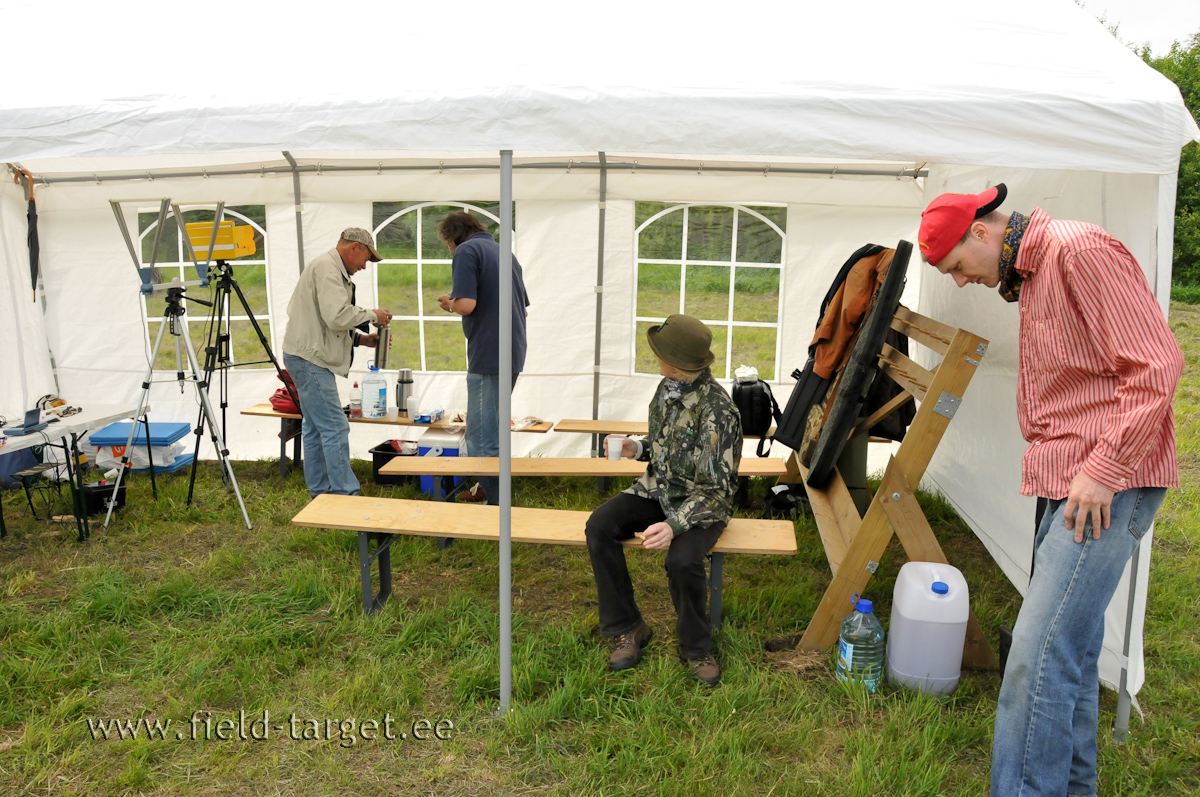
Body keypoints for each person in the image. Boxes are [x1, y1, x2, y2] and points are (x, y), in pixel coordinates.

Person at [919, 183, 1183, 797]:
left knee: (1034, 664)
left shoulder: (1077, 250)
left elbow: (1157, 364)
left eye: (957, 266)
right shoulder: (1036, 272)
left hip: (1104, 481)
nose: (960, 282)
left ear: (981, 231)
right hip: (1073, 477)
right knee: (1069, 656)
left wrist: (1103, 468)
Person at [585, 314, 742, 686]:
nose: (656, 360)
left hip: (703, 503)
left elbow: (714, 489)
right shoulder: (668, 388)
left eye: (660, 354)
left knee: (683, 559)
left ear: (677, 362)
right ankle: (628, 627)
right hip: (658, 488)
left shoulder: (718, 412)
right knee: (600, 527)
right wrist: (635, 447)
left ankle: (695, 648)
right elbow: (664, 450)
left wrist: (672, 526)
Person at [282, 228, 392, 497]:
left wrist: (360, 340)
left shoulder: (328, 267)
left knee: (315, 427)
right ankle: (346, 495)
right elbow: (336, 317)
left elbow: (322, 322)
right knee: (334, 426)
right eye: (366, 258)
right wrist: (372, 315)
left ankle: (320, 492)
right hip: (310, 359)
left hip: (305, 354)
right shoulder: (329, 270)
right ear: (355, 247)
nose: (364, 266)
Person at [436, 212, 530, 506]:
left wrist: (449, 303)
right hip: (513, 350)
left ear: (452, 237)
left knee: (480, 440)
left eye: (447, 244)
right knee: (495, 432)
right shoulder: (505, 252)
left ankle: (499, 504)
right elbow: (523, 309)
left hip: (488, 354)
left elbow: (466, 304)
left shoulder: (466, 250)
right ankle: (489, 492)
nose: (450, 249)